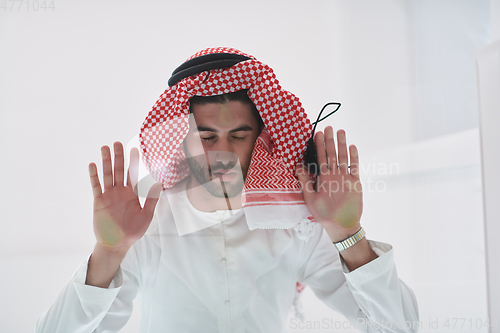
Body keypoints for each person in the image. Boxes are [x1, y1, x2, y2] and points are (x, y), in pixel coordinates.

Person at [35, 47, 419, 333]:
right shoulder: (146, 228)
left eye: (238, 135)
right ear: (180, 142)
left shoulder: (295, 225)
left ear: (262, 142)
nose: (221, 153)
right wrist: (109, 251)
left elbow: (398, 327)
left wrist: (348, 234)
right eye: (205, 136)